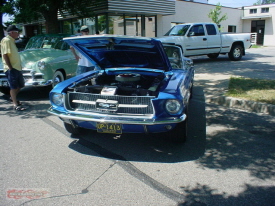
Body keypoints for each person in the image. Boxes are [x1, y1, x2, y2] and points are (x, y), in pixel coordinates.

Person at [1, 25, 26, 111]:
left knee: (21, 85)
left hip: (17, 67)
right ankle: (15, 104)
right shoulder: (6, 40)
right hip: (11, 68)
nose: (18, 34)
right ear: (11, 33)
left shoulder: (12, 41)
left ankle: (12, 97)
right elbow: (5, 55)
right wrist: (10, 67)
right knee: (13, 86)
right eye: (17, 32)